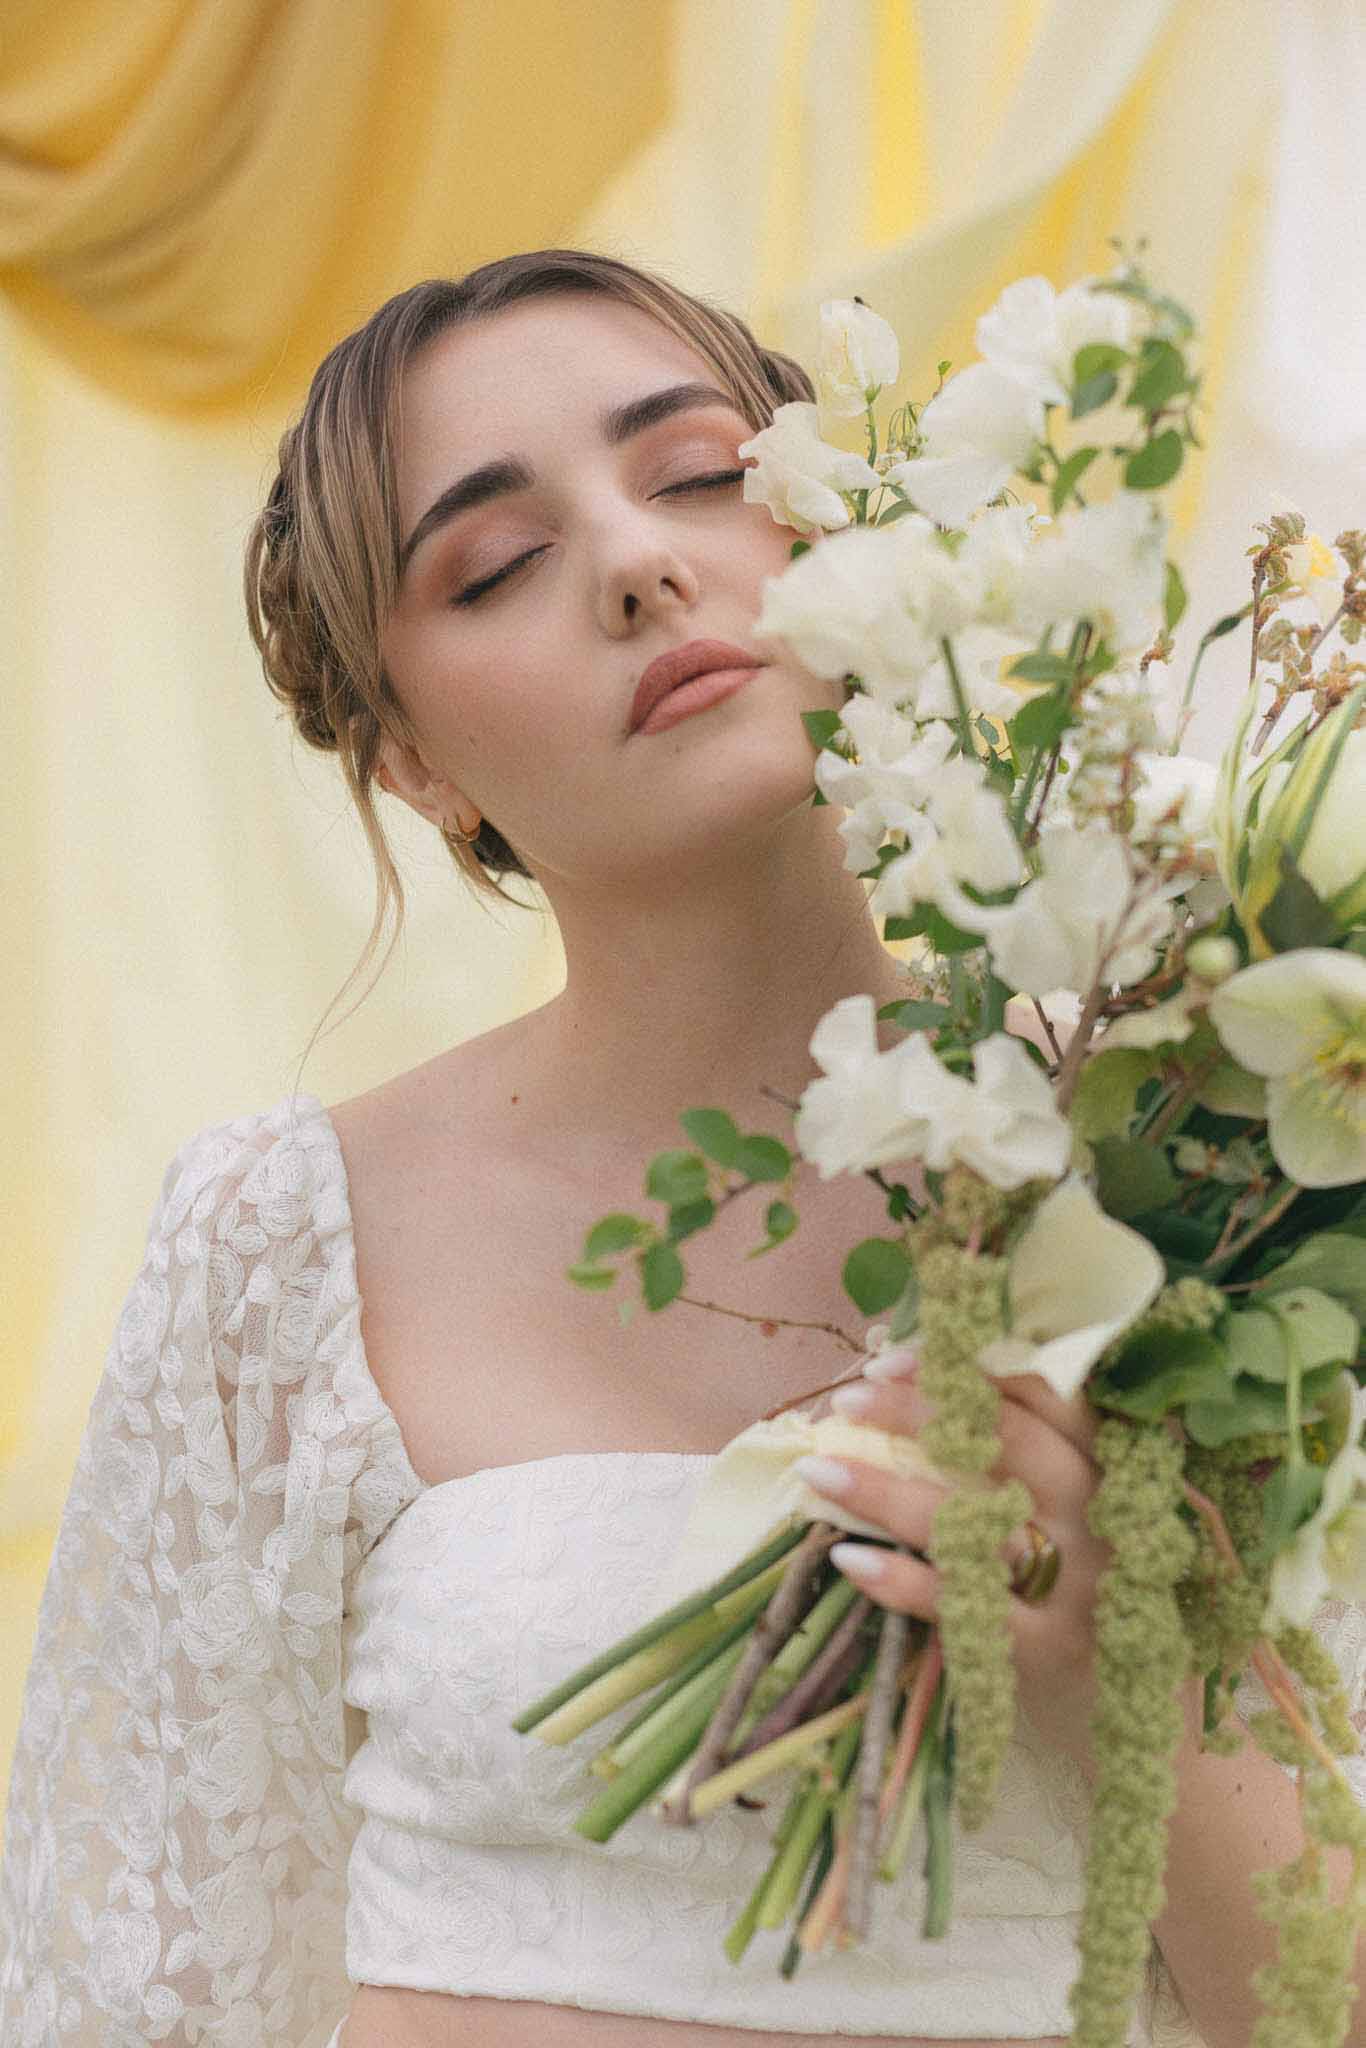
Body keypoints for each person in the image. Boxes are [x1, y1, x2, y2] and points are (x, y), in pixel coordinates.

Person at [0, 249, 1360, 2048]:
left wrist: (1130, 1653)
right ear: (407, 754)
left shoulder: (1208, 1147)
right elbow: (139, 1986)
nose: (640, 563)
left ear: (857, 531)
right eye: (495, 564)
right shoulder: (284, 1236)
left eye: (704, 475)